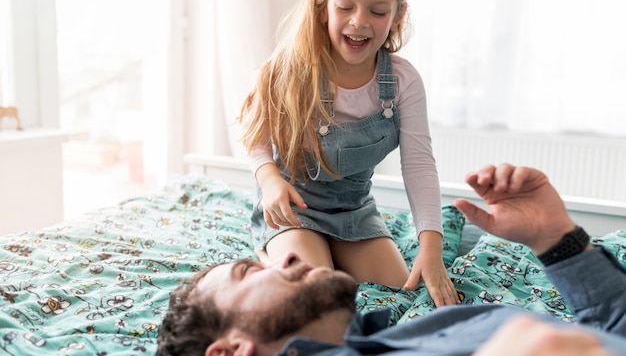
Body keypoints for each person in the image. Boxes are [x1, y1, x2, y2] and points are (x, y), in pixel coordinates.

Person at [156, 163, 626, 356]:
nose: (286, 257)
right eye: (250, 271)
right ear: (231, 351)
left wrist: (557, 240)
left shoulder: (396, 335)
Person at [238, 0, 457, 305]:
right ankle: (270, 252)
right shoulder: (291, 68)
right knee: (319, 293)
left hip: (355, 211)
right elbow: (256, 133)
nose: (359, 22)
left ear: (398, 16)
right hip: (295, 210)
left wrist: (431, 247)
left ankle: (331, 252)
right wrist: (270, 181)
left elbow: (419, 165)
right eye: (345, 6)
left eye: (377, 11)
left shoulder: (404, 83)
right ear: (324, 7)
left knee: (398, 294)